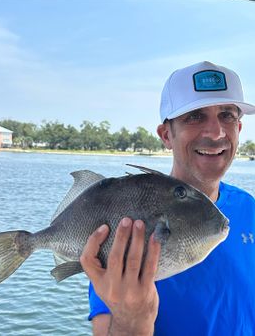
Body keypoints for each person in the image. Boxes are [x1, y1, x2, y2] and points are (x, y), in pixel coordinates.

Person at [80, 61, 255, 335]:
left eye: (227, 115)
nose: (216, 132)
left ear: (239, 129)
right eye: (195, 116)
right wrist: (132, 322)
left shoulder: (249, 208)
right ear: (166, 135)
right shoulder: (127, 222)